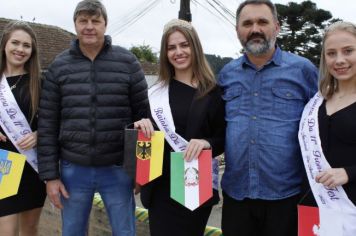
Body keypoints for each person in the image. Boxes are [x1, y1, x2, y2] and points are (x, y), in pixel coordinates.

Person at [37, 0, 148, 235]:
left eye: (95, 21)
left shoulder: (128, 63)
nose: (89, 26)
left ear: (105, 24)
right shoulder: (58, 67)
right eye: (83, 21)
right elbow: (47, 124)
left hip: (118, 169)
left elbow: (144, 119)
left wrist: (143, 171)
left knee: (125, 232)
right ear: (75, 25)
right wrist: (50, 177)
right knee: (73, 232)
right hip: (72, 171)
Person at [218, 0, 318, 235]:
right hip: (236, 195)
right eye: (247, 23)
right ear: (237, 31)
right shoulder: (226, 74)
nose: (255, 29)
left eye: (262, 22)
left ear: (277, 27)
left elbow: (322, 126)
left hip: (287, 196)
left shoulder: (303, 71)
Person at [134, 19, 225, 236]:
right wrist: (140, 126)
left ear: (195, 47)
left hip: (193, 183)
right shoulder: (155, 94)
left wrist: (206, 143)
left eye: (184, 45)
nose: (178, 52)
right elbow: (143, 139)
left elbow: (222, 138)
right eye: (171, 47)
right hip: (160, 188)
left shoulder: (213, 93)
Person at [299, 21, 356, 234]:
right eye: (331, 53)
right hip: (316, 211)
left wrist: (349, 173)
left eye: (348, 51)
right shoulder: (318, 102)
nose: (339, 60)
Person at [0, 21, 45, 236]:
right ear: (5, 45)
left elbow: (55, 121)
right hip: (3, 164)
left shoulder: (40, 83)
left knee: (29, 229)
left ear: (32, 50)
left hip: (33, 165)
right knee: (5, 230)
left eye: (26, 45)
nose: (20, 49)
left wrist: (39, 134)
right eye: (15, 43)